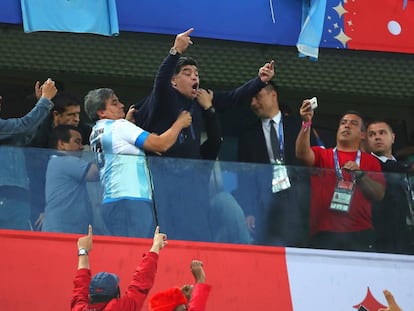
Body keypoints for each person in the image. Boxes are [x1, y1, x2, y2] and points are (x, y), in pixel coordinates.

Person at [133, 28, 274, 240]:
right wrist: (175, 51)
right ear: (174, 81)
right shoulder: (163, 98)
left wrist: (259, 81)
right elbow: (160, 82)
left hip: (194, 184)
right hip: (166, 183)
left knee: (196, 236)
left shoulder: (200, 100)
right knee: (169, 236)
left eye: (196, 74)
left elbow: (233, 98)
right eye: (187, 73)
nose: (194, 77)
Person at [84, 88, 192, 238]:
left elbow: (118, 147)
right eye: (114, 103)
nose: (121, 105)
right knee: (133, 253)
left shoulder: (96, 132)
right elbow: (161, 145)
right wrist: (180, 123)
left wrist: (129, 124)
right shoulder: (120, 126)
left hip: (112, 202)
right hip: (131, 200)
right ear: (101, 112)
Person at [296, 102, 385, 251]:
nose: (347, 126)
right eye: (343, 123)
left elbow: (379, 194)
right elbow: (301, 154)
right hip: (324, 231)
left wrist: (361, 175)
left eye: (353, 123)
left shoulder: (371, 160)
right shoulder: (323, 154)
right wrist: (306, 123)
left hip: (360, 231)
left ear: (363, 134)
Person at [237, 81, 311, 246]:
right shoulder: (248, 136)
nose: (253, 103)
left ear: (273, 95)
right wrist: (248, 211)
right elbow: (244, 177)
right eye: (251, 99)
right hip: (264, 199)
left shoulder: (297, 126)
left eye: (257, 97)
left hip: (296, 196)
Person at [27, 92, 92, 230]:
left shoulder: (80, 130)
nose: (77, 119)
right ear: (56, 115)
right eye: (71, 115)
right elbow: (35, 178)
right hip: (46, 209)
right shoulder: (40, 137)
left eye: (78, 114)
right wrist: (42, 209)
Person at [0, 78, 57, 230]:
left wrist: (41, 104)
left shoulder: (8, 134)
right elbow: (23, 127)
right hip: (6, 198)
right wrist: (45, 101)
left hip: (18, 197)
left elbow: (28, 134)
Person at [71, 225, 168, 311]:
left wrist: (83, 250)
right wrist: (156, 246)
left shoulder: (78, 308)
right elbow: (141, 282)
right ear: (117, 295)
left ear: (89, 297)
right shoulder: (119, 307)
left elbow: (80, 287)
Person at [366, 120, 413, 253]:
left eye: (382, 133)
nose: (377, 137)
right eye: (372, 134)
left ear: (393, 137)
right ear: (366, 140)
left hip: (404, 233)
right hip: (380, 236)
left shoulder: (400, 166)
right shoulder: (367, 164)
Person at [42, 125, 99, 234]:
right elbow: (94, 173)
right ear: (62, 144)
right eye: (77, 142)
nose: (81, 147)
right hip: (61, 231)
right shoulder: (64, 161)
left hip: (65, 229)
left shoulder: (55, 162)